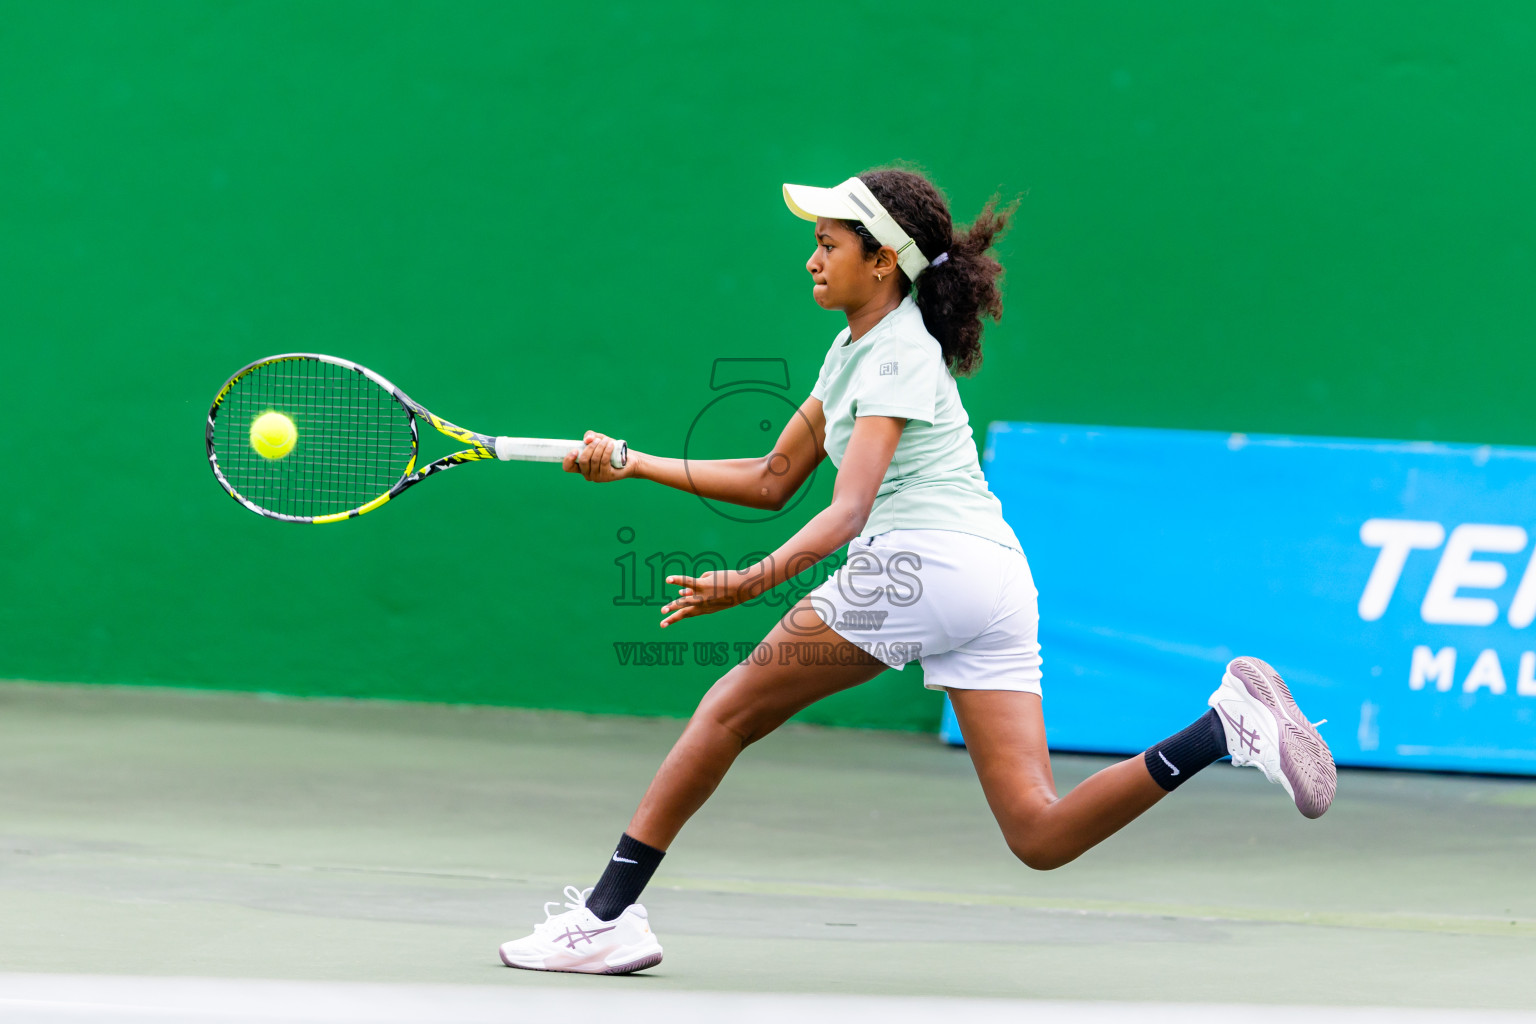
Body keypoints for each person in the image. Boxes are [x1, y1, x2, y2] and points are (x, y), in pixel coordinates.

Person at [496, 167, 1337, 975]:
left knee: (726, 714)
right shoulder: (854, 348)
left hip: (921, 565)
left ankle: (604, 918)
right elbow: (772, 479)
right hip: (994, 580)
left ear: (882, 259)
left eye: (828, 244)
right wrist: (633, 462)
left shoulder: (897, 353)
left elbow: (849, 510)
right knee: (1038, 835)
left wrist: (750, 581)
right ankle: (1221, 727)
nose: (811, 259)